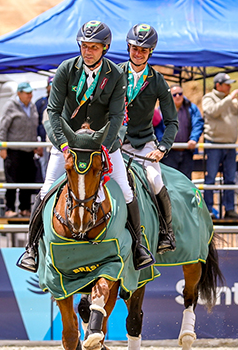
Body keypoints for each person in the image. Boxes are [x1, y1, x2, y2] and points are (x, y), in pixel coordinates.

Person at [18, 20, 153, 272]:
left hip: (103, 144)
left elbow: (116, 116)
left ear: (105, 48)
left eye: (94, 47)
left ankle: (138, 246)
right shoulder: (66, 70)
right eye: (84, 46)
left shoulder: (115, 75)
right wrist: (63, 144)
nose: (88, 51)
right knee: (47, 188)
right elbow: (53, 111)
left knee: (125, 190)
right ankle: (31, 248)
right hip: (68, 144)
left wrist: (103, 144)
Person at [119, 23, 177, 254]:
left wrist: (162, 148)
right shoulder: (112, 73)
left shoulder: (157, 81)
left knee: (154, 180)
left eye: (143, 50)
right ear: (128, 48)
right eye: (134, 48)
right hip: (115, 144)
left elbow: (172, 121)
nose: (137, 53)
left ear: (150, 52)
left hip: (144, 144)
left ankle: (166, 232)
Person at [201, 72, 238, 219]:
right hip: (213, 144)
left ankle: (230, 209)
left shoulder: (232, 100)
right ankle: (208, 209)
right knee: (210, 178)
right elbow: (213, 112)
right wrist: (230, 98)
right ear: (218, 85)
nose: (230, 87)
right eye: (227, 84)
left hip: (230, 145)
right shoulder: (208, 98)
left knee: (230, 179)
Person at [0, 82, 40, 217]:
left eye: (30, 93)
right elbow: (2, 127)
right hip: (14, 149)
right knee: (12, 179)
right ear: (19, 93)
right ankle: (9, 208)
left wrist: (35, 145)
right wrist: (2, 146)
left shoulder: (32, 106)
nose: (30, 95)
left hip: (28, 150)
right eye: (27, 93)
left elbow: (34, 127)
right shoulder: (10, 106)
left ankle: (25, 208)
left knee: (27, 180)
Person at [158, 86, 203, 180]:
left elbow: (198, 123)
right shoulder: (162, 109)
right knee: (169, 181)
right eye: (174, 95)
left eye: (180, 94)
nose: (178, 96)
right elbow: (157, 127)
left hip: (186, 151)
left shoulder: (191, 108)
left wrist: (193, 139)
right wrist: (163, 143)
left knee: (185, 181)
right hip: (169, 153)